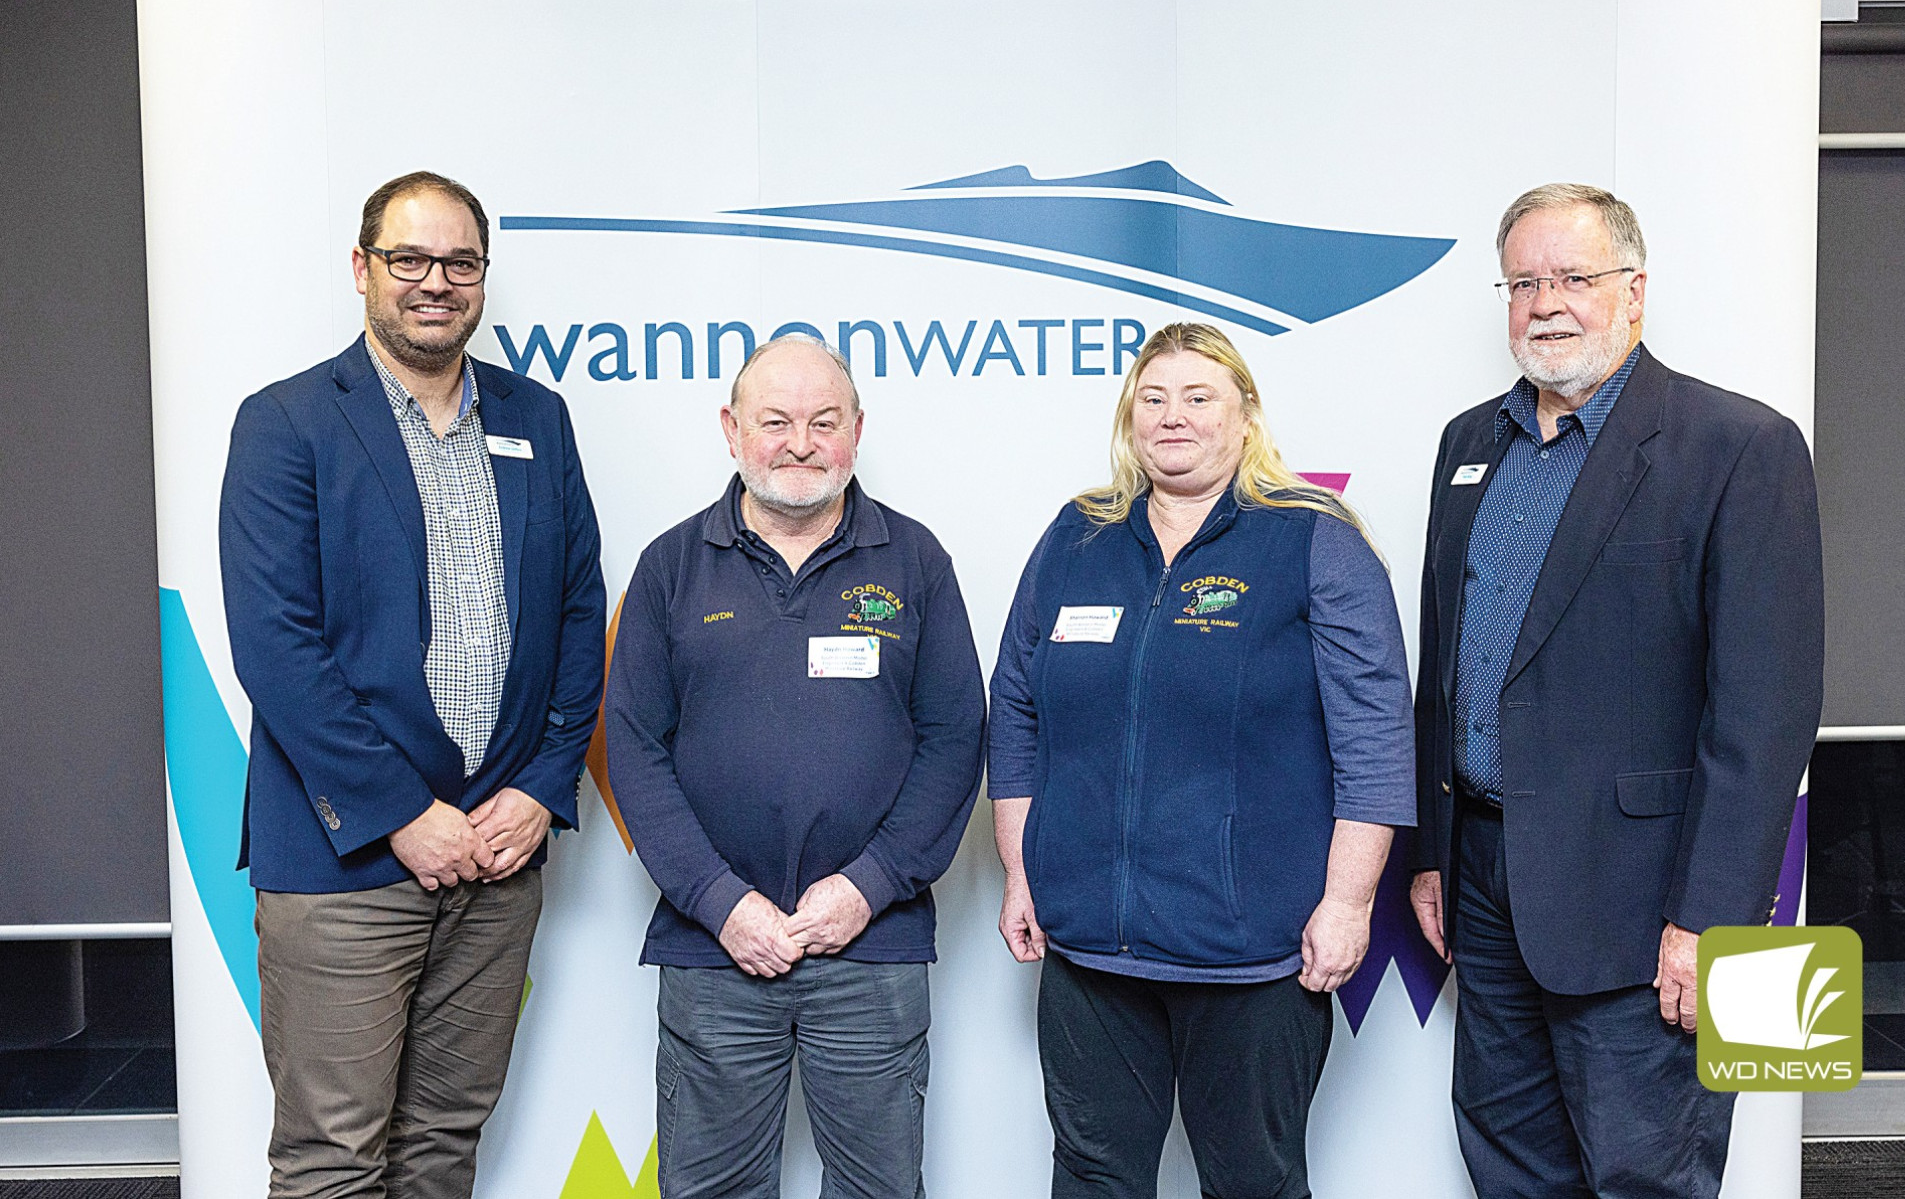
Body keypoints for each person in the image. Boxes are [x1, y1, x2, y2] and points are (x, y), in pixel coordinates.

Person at [1408, 183, 1823, 1198]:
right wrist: (1432, 852)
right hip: (1485, 880)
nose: (1545, 302)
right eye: (1522, 282)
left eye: (1572, 277)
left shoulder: (1738, 447)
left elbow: (1763, 714)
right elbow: (1444, 665)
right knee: (1507, 1162)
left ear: (1633, 291)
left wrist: (1711, 920)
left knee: (1648, 1174)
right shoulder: (1468, 443)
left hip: (1649, 903)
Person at [219, 171, 607, 1198]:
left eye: (460, 263)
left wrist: (539, 786)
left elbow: (576, 615)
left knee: (443, 1141)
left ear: (483, 276)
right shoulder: (287, 422)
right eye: (410, 260)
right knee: (333, 1155)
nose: (435, 282)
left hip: (496, 853)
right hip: (346, 855)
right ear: (363, 269)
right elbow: (277, 647)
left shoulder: (539, 419)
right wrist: (402, 813)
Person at [987, 321, 1416, 1199]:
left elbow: (1375, 738)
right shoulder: (1076, 538)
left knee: (1251, 1183)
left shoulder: (1312, 539)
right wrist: (1021, 870)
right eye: (1153, 398)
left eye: (1198, 396)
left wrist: (1347, 901)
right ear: (1129, 416)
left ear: (1245, 415)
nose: (1172, 417)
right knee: (1093, 1177)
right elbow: (1018, 709)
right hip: (1091, 951)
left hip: (1254, 954)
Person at [605, 334, 985, 1198]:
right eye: (775, 421)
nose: (801, 443)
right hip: (714, 948)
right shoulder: (670, 566)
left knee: (878, 1189)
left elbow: (955, 737)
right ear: (732, 430)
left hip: (873, 945)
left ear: (859, 429)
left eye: (825, 420)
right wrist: (720, 902)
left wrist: (868, 886)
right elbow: (633, 747)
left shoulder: (916, 562)